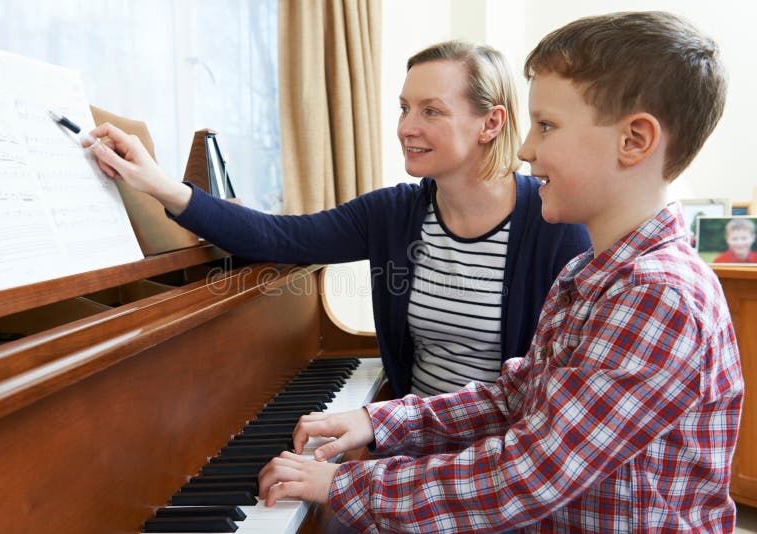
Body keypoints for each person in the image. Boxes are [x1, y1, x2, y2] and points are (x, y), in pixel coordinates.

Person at [256, 11, 744, 532]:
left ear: (635, 140)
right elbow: (515, 397)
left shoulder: (657, 295)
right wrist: (377, 420)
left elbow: (530, 475)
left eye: (547, 126)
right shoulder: (588, 273)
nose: (527, 148)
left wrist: (342, 484)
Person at [88, 41, 590, 397]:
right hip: (409, 441)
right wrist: (156, 183)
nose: (405, 128)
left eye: (431, 111)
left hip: (496, 463)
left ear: (491, 122)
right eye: (403, 108)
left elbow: (552, 394)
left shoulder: (554, 223)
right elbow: (279, 237)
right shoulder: (394, 212)